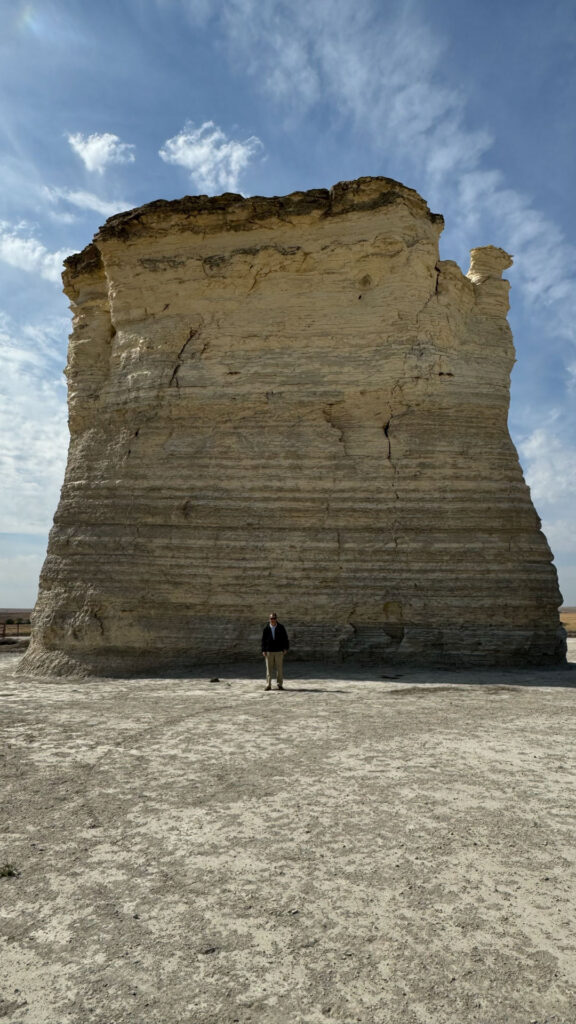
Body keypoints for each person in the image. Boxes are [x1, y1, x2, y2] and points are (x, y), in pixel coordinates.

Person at [261, 613, 289, 690]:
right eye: (271, 618)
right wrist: (263, 650)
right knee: (269, 669)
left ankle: (279, 684)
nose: (272, 620)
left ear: (276, 619)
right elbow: (263, 640)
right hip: (269, 651)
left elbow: (285, 638)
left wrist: (285, 648)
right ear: (269, 619)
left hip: (279, 651)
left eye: (274, 618)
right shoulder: (266, 628)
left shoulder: (281, 627)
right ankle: (268, 685)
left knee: (279, 669)